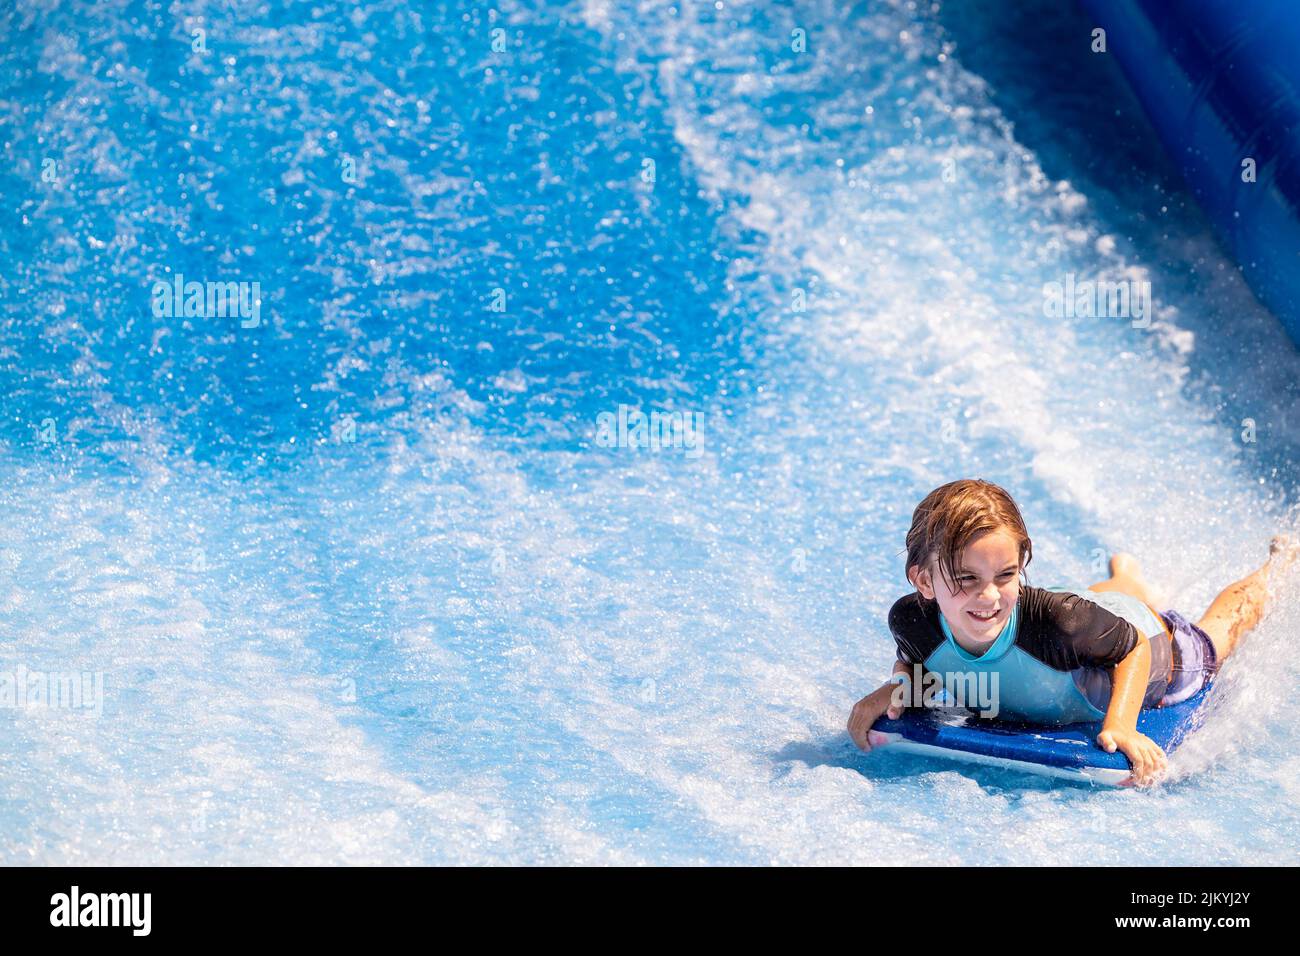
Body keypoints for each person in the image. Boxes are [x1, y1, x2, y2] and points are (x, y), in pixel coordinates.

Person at [846, 478, 1297, 786]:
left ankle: (1280, 564)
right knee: (1089, 609)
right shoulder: (911, 620)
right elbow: (919, 658)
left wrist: (1119, 724)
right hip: (1088, 618)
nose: (989, 596)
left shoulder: (1057, 624)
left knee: (1218, 633)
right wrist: (898, 686)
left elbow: (1134, 648)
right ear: (923, 582)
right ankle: (1129, 580)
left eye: (1006, 574)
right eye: (966, 579)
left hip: (1151, 645)